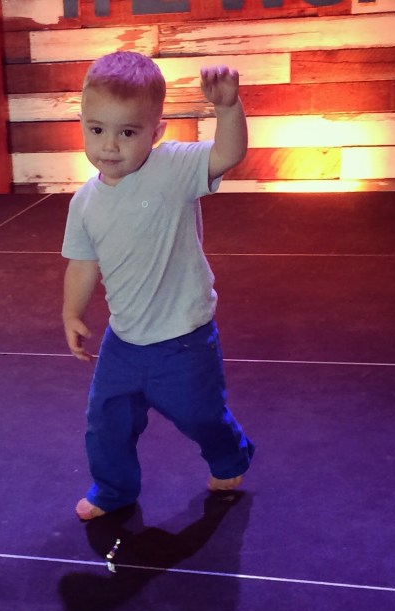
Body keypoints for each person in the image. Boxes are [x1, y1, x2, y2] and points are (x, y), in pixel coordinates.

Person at [61, 51, 254, 521]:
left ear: (156, 131)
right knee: (106, 422)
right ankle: (113, 490)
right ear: (82, 123)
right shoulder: (84, 202)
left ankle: (229, 454)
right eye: (96, 129)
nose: (109, 146)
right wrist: (71, 312)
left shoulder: (172, 169)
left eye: (127, 133)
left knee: (200, 415)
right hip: (123, 340)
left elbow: (227, 154)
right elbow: (82, 263)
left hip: (184, 339)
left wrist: (228, 109)